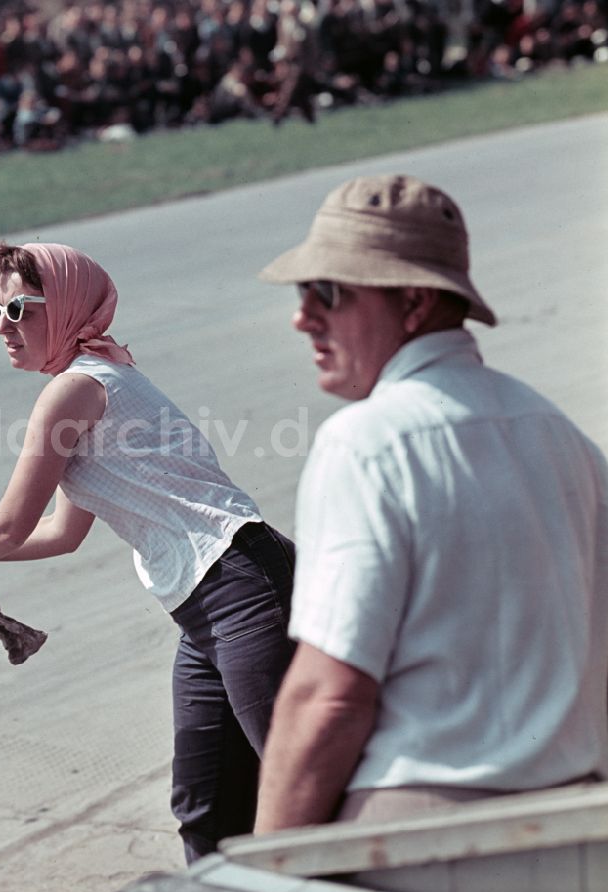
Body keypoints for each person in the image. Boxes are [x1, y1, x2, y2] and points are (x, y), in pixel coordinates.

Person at [0, 241, 296, 862]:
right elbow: (62, 533)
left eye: (21, 310)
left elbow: (8, 526)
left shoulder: (77, 389)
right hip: (205, 613)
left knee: (301, 799)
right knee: (206, 810)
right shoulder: (91, 382)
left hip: (243, 588)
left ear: (63, 308)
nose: (5, 328)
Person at [253, 174, 608, 832]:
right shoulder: (565, 438)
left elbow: (327, 697)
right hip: (581, 828)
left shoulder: (365, 443)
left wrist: (261, 878)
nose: (302, 316)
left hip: (425, 831)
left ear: (414, 302)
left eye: (326, 292)